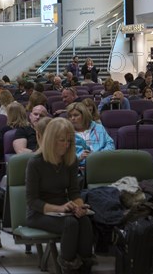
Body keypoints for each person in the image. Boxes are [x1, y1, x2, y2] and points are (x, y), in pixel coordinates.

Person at [26, 118, 94, 273]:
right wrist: (60, 208)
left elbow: (74, 192)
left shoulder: (70, 160)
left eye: (69, 141)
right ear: (51, 140)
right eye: (61, 140)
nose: (66, 144)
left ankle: (84, 268)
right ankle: (68, 268)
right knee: (71, 223)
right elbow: (32, 201)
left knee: (84, 221)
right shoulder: (35, 163)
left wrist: (78, 206)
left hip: (64, 210)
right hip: (39, 212)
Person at [67, 102, 114, 167]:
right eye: (70, 116)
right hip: (80, 168)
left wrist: (97, 155)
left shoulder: (98, 127)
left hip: (103, 163)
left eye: (76, 115)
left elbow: (111, 145)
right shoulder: (67, 133)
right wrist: (79, 158)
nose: (72, 118)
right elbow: (65, 155)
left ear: (84, 115)